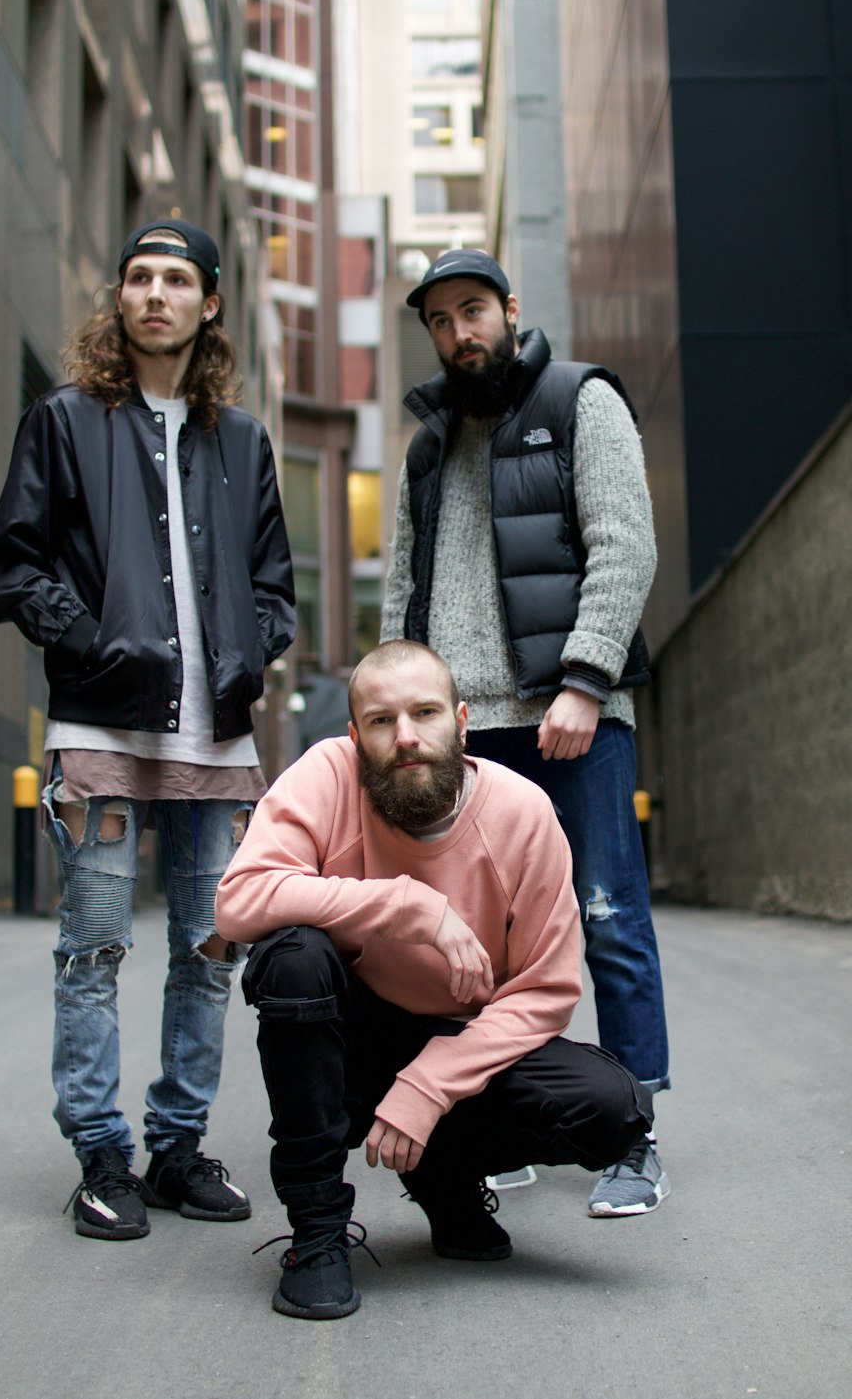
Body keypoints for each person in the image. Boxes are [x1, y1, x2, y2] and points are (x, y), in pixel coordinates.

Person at [0, 219, 295, 1240]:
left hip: (218, 741)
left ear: (209, 303)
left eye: (176, 278)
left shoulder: (241, 440)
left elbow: (273, 584)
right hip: (101, 726)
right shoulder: (64, 420)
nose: (154, 292)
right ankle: (101, 1150)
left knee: (209, 950)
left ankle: (176, 1146)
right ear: (120, 298)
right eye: (138, 277)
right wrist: (90, 642)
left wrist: (252, 652)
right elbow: (13, 562)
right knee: (94, 949)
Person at [216, 640, 654, 1319]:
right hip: (350, 1040)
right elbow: (239, 900)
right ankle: (318, 1233)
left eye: (425, 713)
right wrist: (404, 904)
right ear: (355, 735)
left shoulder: (522, 813)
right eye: (383, 720)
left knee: (612, 1106)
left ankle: (446, 1178)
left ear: (462, 719)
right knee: (292, 953)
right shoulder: (326, 776)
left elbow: (547, 991)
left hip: (460, 1042)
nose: (407, 737)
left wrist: (426, 1086)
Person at [379, 249, 670, 1217]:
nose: (460, 332)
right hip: (466, 732)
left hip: (568, 715)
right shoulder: (424, 445)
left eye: (473, 310)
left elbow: (626, 542)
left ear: (509, 308)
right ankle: (510, 1123)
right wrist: (400, 709)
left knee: (607, 914)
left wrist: (585, 680)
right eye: (440, 320)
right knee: (481, 943)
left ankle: (632, 1133)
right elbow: (401, 590)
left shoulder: (579, 400)